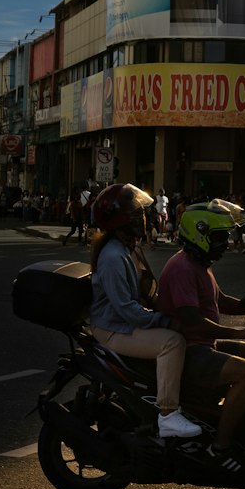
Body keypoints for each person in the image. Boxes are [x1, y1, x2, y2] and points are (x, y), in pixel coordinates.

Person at [156, 204, 245, 475]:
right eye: (219, 238)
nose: (226, 244)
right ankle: (220, 447)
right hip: (191, 351)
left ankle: (237, 422)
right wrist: (237, 333)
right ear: (200, 234)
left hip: (204, 345)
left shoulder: (199, 264)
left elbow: (220, 301)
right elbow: (193, 321)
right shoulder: (183, 267)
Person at [88, 183, 201, 439]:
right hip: (112, 328)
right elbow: (127, 310)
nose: (143, 217)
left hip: (124, 322)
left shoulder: (130, 248)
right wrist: (165, 322)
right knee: (172, 343)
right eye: (135, 213)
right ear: (120, 220)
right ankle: (168, 415)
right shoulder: (113, 257)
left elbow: (146, 293)